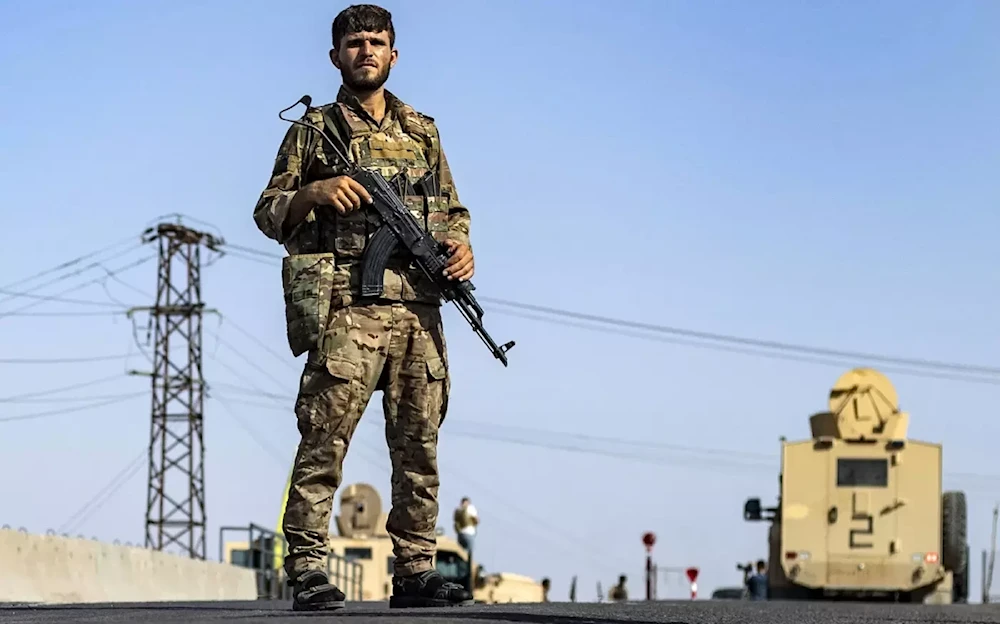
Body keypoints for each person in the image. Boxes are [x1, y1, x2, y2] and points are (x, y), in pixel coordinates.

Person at [252, 3, 475, 612]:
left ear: (394, 54)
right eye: (355, 43)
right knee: (324, 438)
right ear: (336, 56)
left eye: (377, 41)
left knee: (419, 444)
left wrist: (460, 248)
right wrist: (312, 193)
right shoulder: (313, 131)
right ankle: (305, 568)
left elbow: (452, 210)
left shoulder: (423, 131)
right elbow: (268, 212)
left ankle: (416, 569)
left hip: (419, 311)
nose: (367, 51)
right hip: (349, 306)